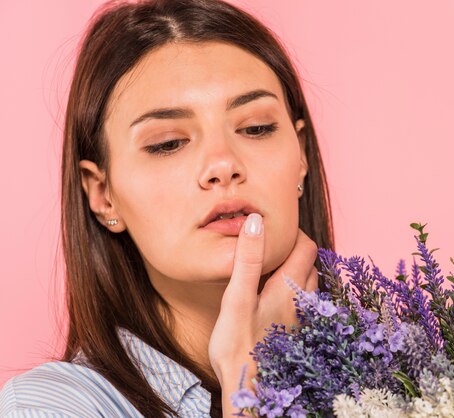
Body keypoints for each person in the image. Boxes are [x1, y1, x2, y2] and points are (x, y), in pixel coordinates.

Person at [0, 0, 334, 416]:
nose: (223, 165)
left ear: (300, 156)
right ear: (103, 195)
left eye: (256, 128)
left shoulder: (401, 366)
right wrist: (252, 379)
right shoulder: (49, 406)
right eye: (168, 143)